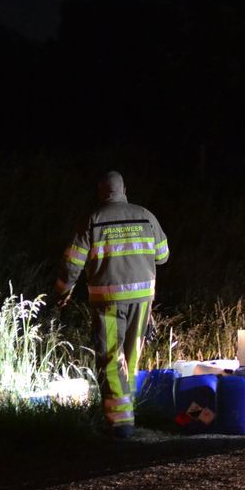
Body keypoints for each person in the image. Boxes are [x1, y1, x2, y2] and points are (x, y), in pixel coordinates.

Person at [56, 171, 169, 438]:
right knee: (129, 359)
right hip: (142, 301)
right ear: (124, 189)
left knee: (109, 359)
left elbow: (72, 262)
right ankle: (127, 417)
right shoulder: (146, 215)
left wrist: (62, 290)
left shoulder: (92, 220)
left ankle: (120, 424)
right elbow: (163, 255)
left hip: (108, 301)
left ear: (100, 191)